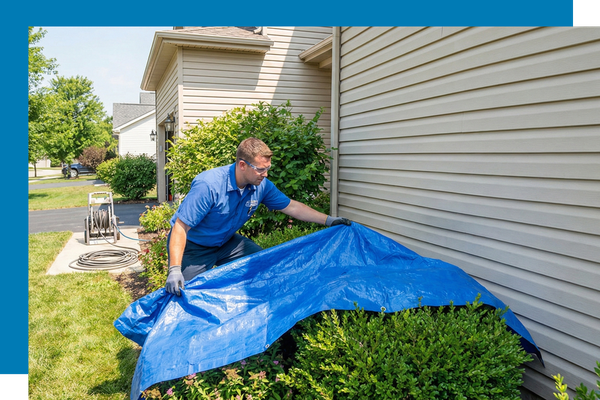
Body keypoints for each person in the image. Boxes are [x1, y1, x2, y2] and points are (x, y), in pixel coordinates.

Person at [165, 137, 351, 296]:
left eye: (267, 168)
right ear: (242, 165)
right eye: (261, 169)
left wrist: (329, 220)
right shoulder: (209, 185)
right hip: (194, 247)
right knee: (183, 293)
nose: (265, 174)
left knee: (265, 265)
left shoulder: (261, 185)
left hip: (226, 243)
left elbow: (292, 207)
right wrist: (174, 269)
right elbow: (180, 227)